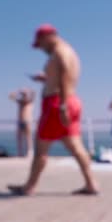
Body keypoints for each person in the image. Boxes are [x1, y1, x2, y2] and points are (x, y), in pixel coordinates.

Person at [8, 24, 99, 196]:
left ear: (47, 37)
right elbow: (63, 76)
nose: (41, 48)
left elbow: (64, 73)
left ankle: (29, 187)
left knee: (41, 147)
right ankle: (91, 183)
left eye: (40, 43)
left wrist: (63, 105)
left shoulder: (59, 52)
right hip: (71, 100)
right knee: (75, 146)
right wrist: (47, 79)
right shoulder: (69, 51)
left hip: (58, 102)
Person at [9, 88, 35, 157]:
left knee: (28, 137)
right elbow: (10, 96)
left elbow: (33, 93)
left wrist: (27, 91)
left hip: (27, 121)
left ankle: (30, 152)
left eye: (25, 94)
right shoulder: (20, 102)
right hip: (20, 121)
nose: (24, 95)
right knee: (19, 138)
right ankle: (20, 153)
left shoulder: (29, 101)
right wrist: (18, 91)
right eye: (23, 94)